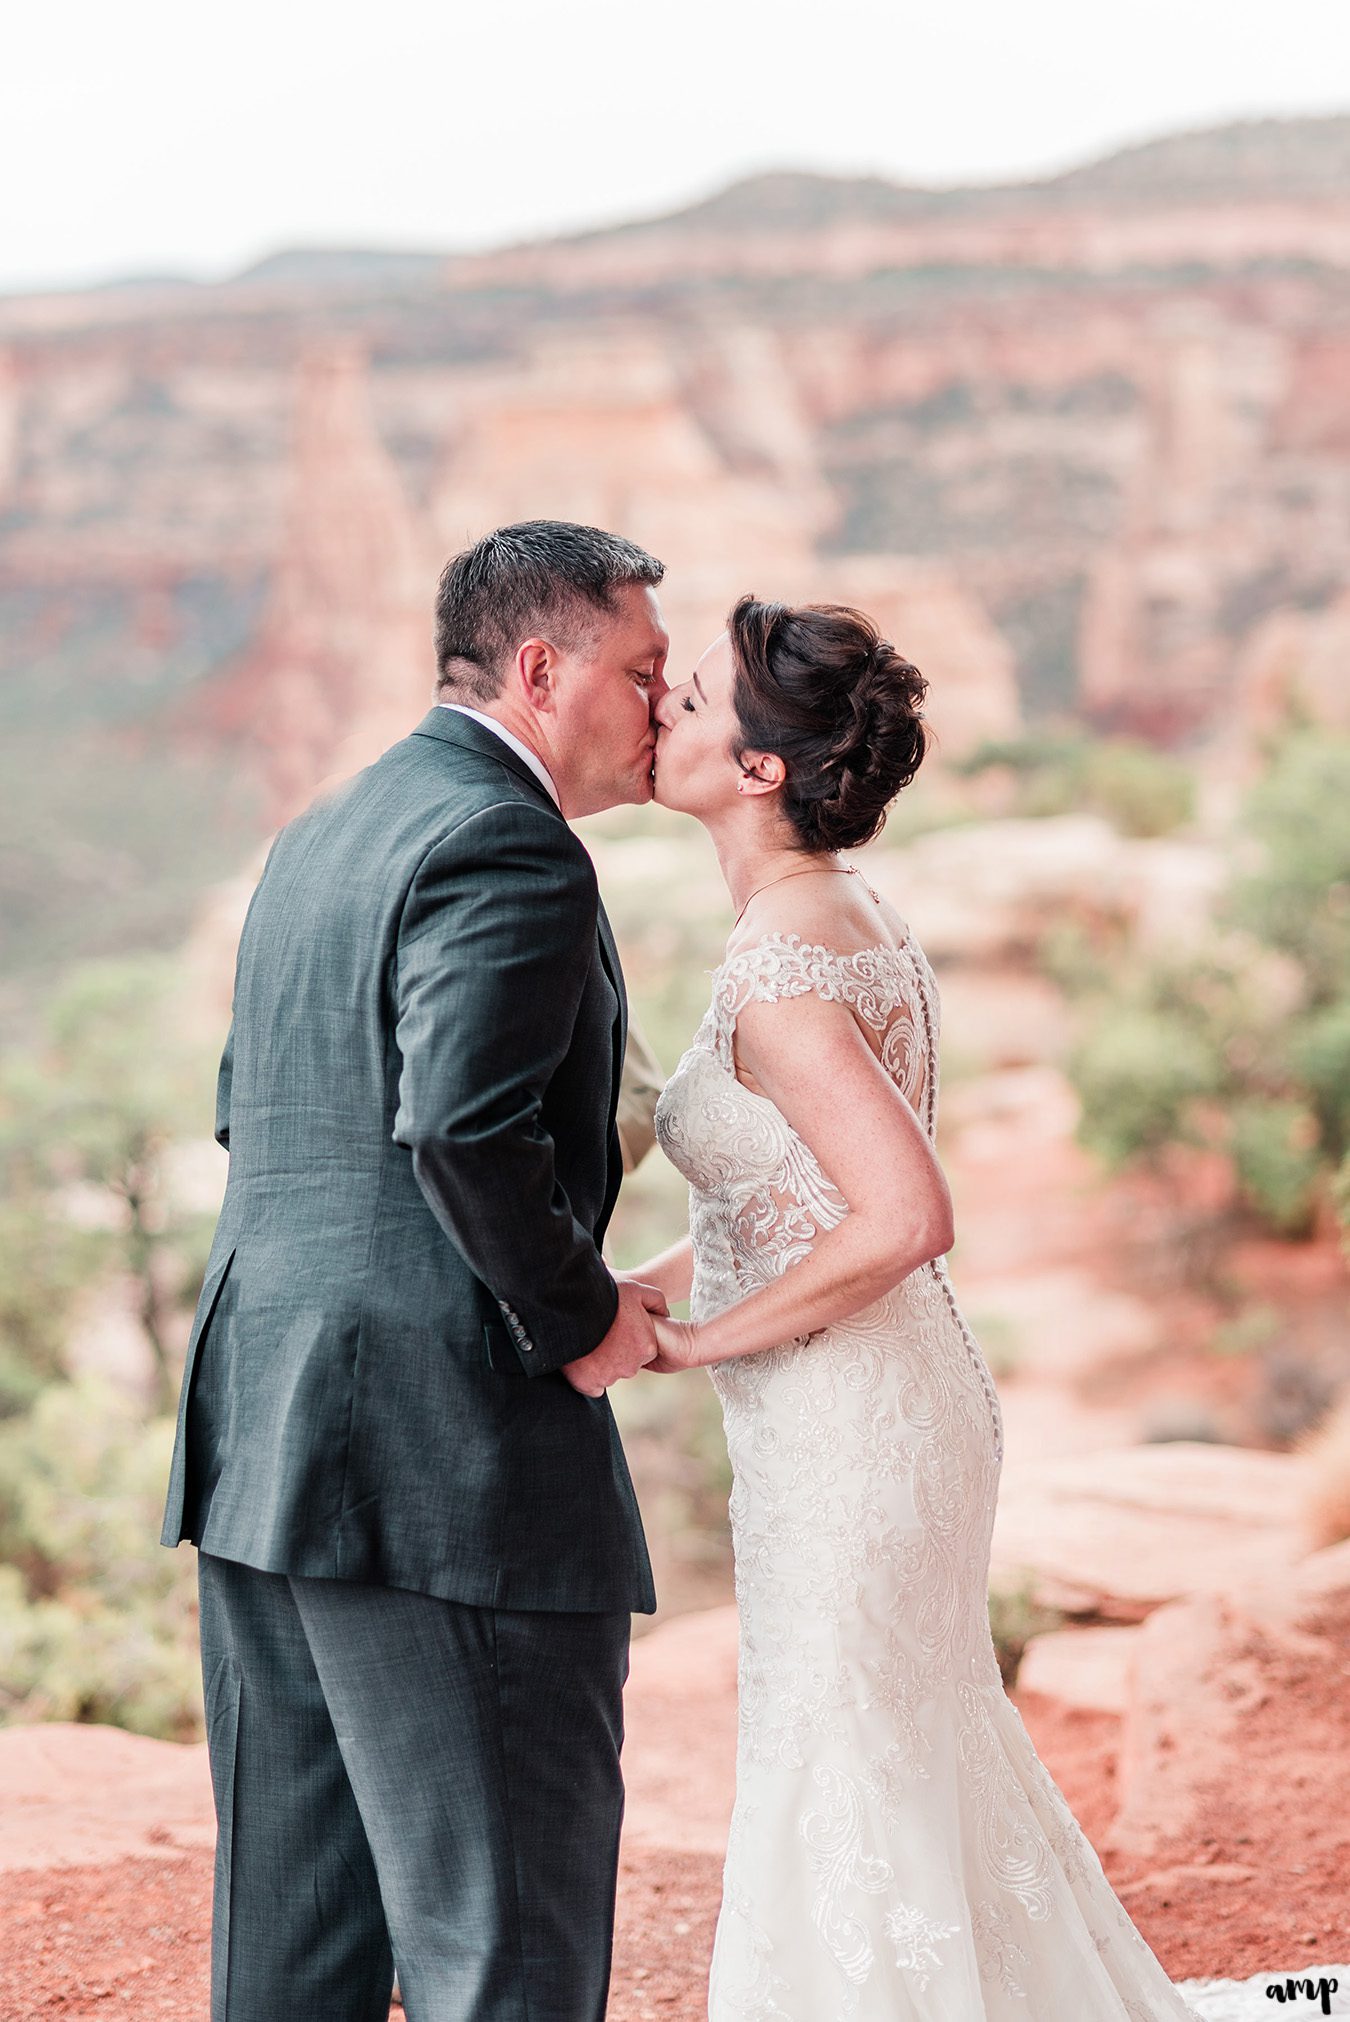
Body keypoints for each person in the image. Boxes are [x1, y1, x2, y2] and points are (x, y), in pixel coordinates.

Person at [633, 595, 1201, 2019]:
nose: (662, 714)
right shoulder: (835, 912)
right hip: (880, 1401)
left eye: (691, 701)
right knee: (888, 1744)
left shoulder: (776, 966)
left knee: (849, 1753)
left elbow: (902, 1218)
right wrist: (650, 1286)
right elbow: (789, 1205)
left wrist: (696, 1338)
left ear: (759, 768)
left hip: (852, 1426)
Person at [161, 520, 673, 2022]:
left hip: (264, 1431)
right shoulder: (512, 841)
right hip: (446, 1467)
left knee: (294, 1951)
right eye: (643, 672)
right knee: (499, 1945)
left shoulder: (328, 826)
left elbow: (245, 1107)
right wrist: (581, 1316)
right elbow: (459, 1125)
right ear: (539, 669)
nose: (665, 704)